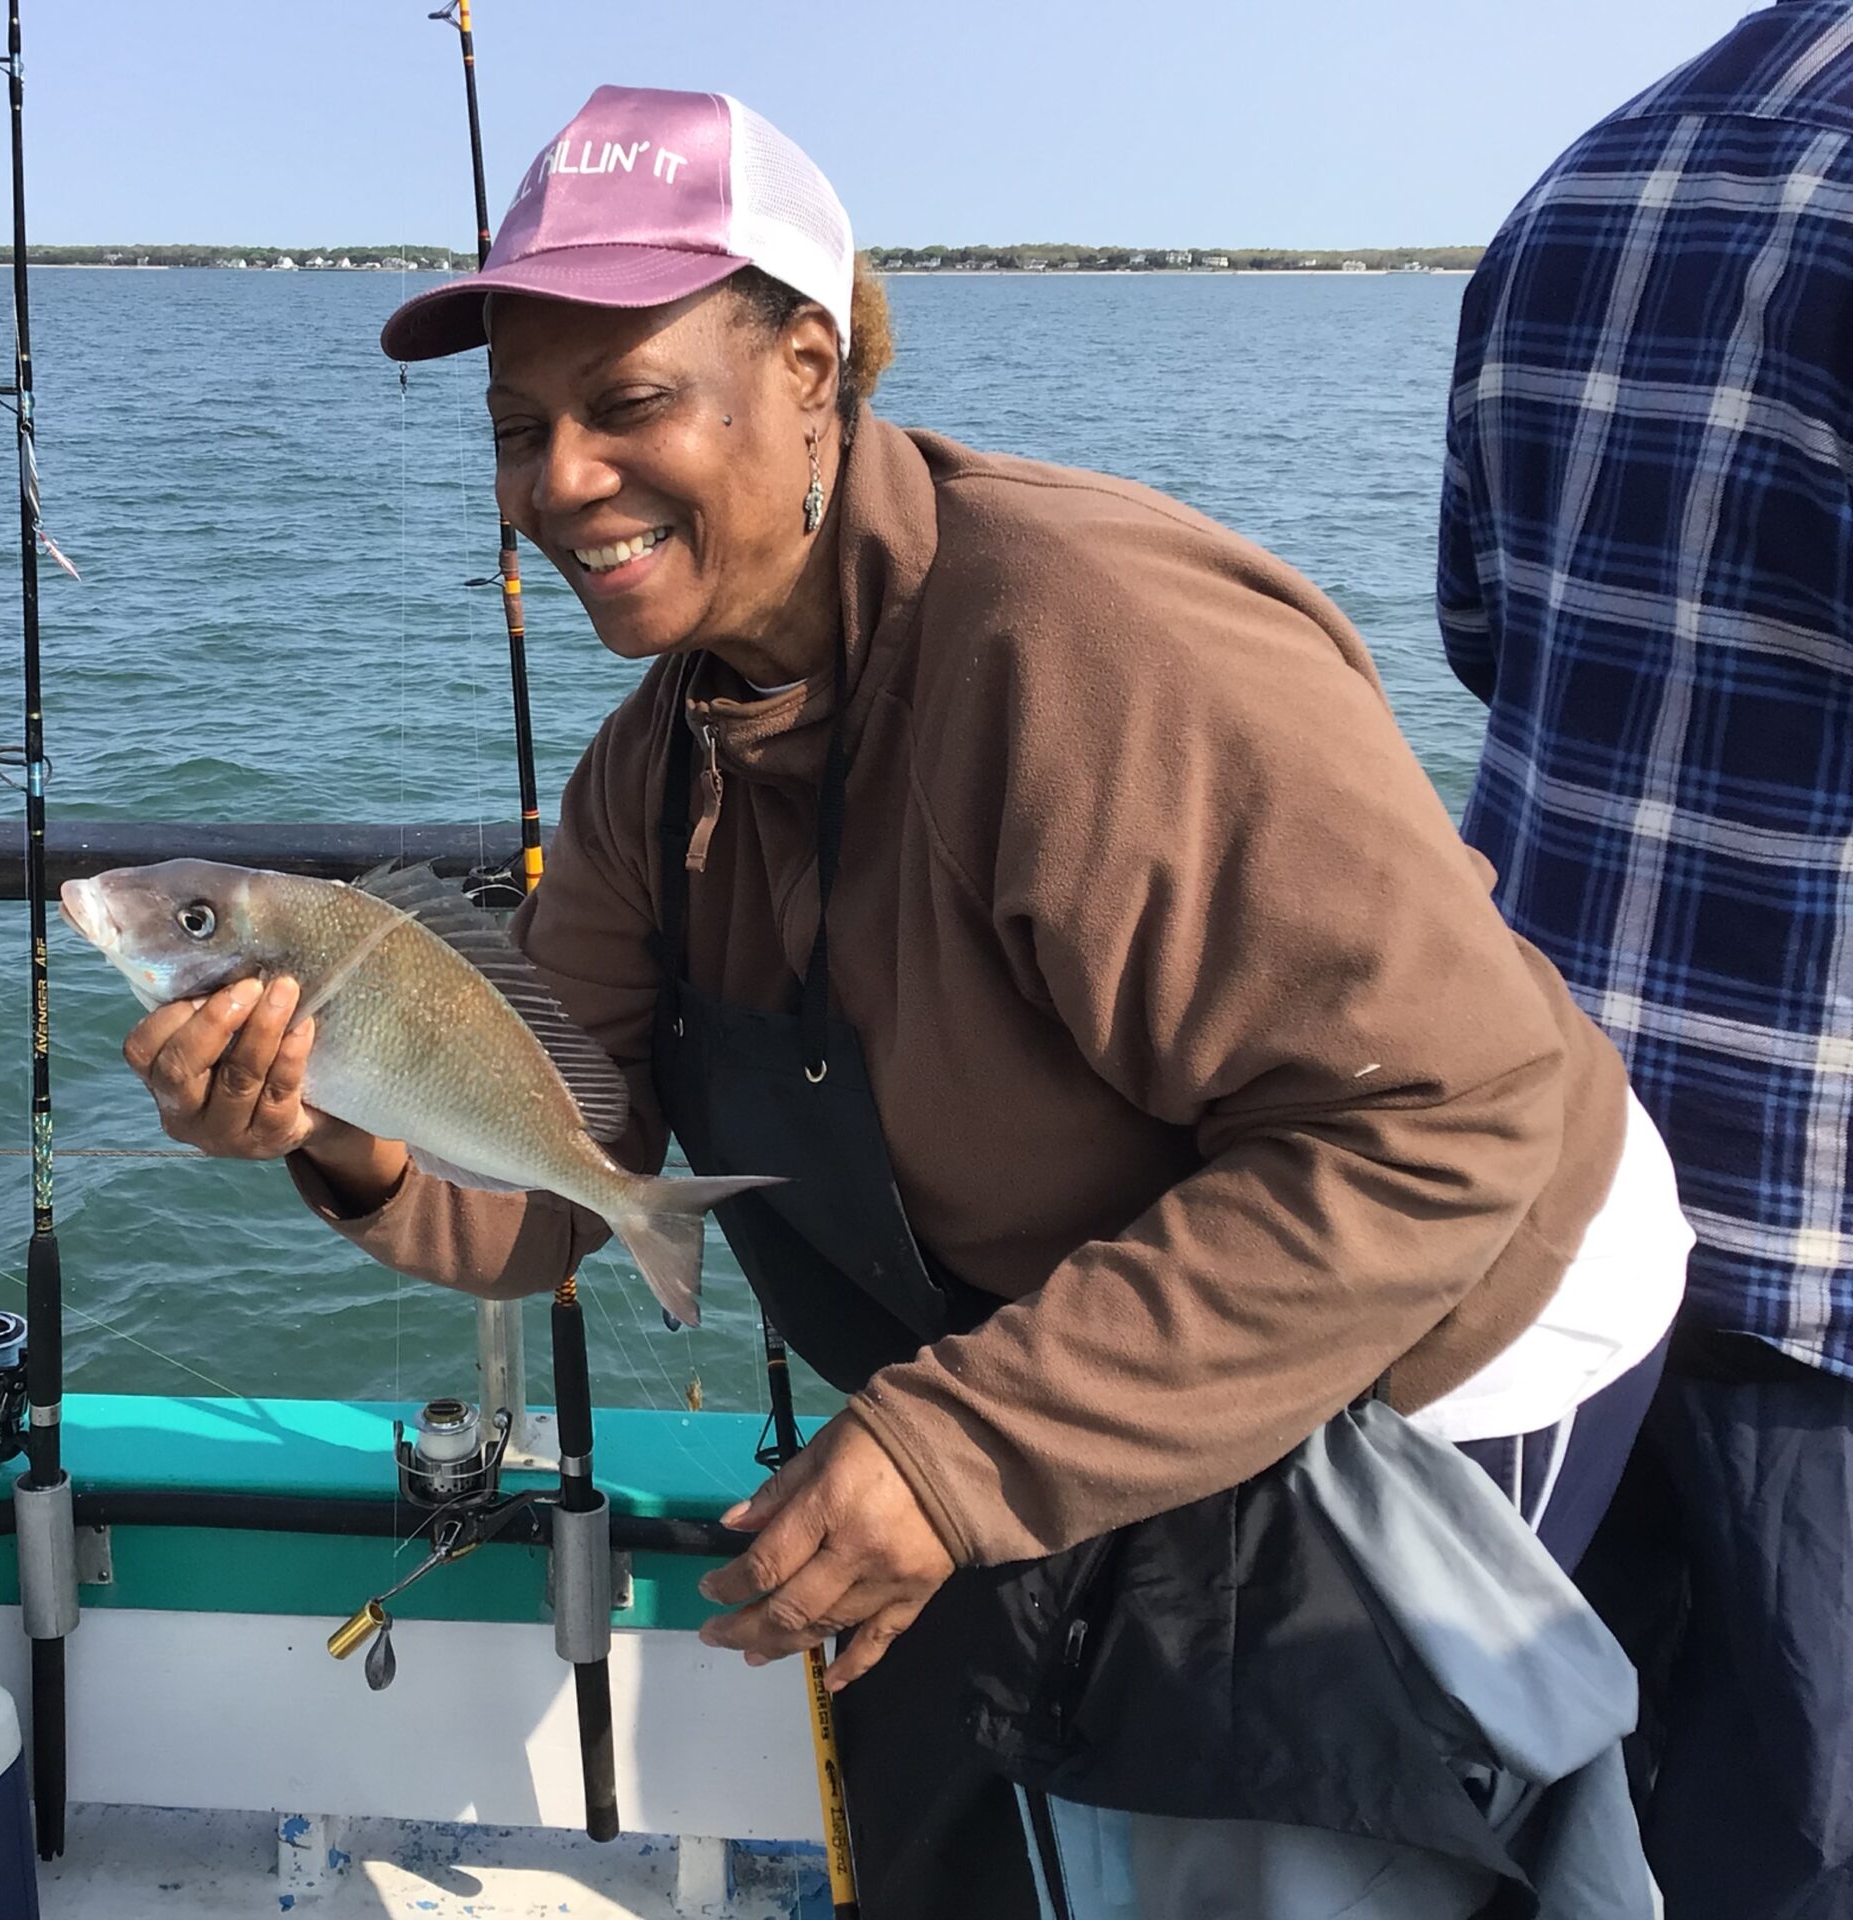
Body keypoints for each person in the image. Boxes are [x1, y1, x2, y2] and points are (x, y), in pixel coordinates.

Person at [135, 85, 1685, 1914]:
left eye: (629, 403)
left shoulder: (1086, 642)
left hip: (1439, 1329)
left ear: (810, 366)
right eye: (519, 430)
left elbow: (1448, 1116)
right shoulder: (658, 774)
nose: (560, 482)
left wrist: (955, 1457)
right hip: (1072, 1333)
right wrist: (336, 1139)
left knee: (1324, 1850)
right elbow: (560, 1190)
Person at [1439, 6, 1853, 1915]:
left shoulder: (1589, 168)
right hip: (1810, 1267)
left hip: (1532, 1229)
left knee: (1546, 1813)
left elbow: (1478, 627)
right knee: (1791, 1835)